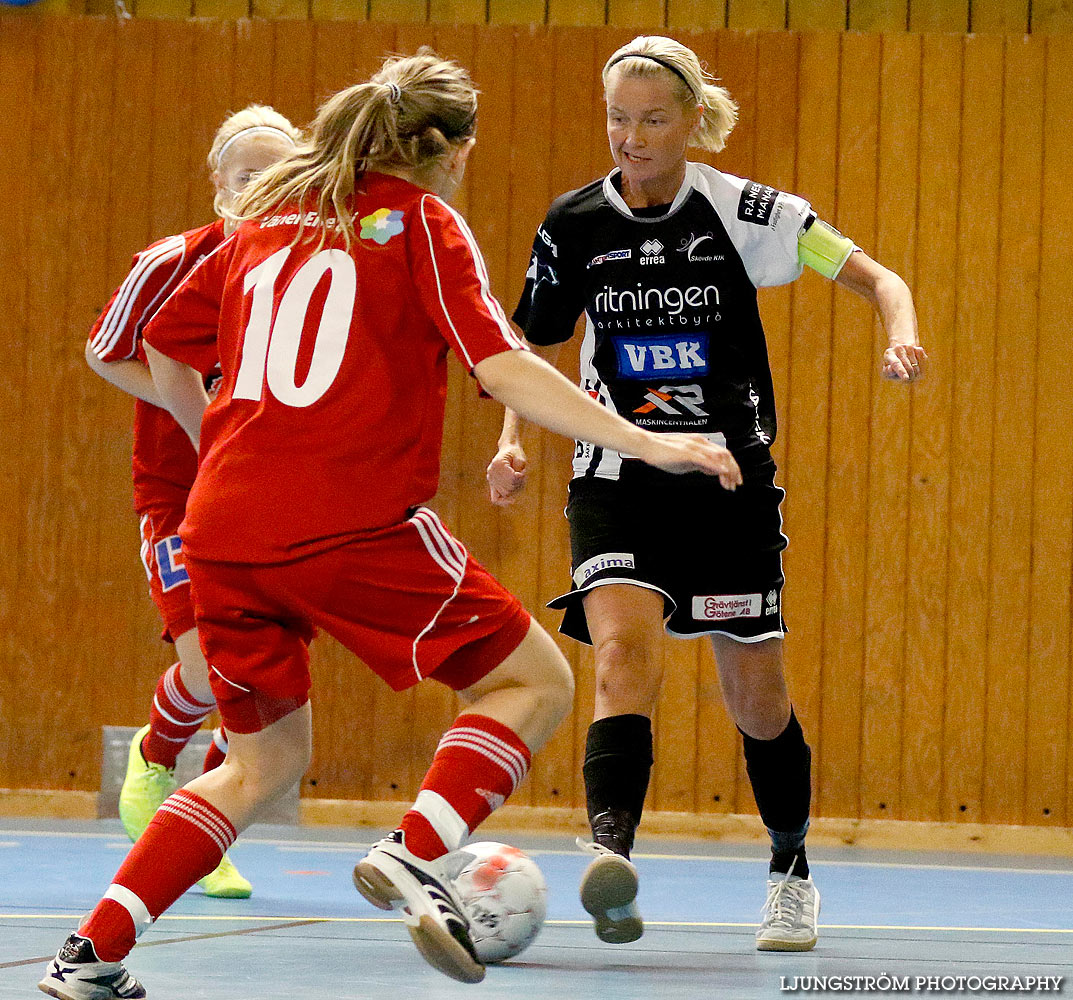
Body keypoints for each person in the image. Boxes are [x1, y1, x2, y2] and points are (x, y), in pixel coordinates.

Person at [39, 50, 740, 1000]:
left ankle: (90, 956)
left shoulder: (267, 224)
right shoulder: (419, 222)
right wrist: (652, 445)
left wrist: (222, 444)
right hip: (348, 521)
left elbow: (162, 338)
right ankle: (417, 854)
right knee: (534, 680)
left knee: (260, 764)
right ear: (448, 150)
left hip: (223, 527)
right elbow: (504, 367)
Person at [487, 34, 926, 954]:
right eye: (617, 118)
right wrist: (511, 442)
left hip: (729, 482)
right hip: (618, 474)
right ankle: (612, 858)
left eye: (652, 120)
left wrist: (901, 335)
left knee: (755, 699)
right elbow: (522, 353)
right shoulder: (573, 225)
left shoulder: (750, 212)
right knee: (619, 658)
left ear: (692, 123)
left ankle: (790, 867)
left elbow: (878, 276)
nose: (631, 138)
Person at [85, 106, 300, 900]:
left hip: (272, 501)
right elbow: (104, 354)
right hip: (182, 493)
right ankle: (154, 758)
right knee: (207, 669)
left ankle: (202, 820)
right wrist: (206, 418)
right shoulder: (172, 263)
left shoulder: (307, 271)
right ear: (220, 186)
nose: (263, 189)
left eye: (279, 175)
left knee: (264, 679)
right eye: (247, 175)